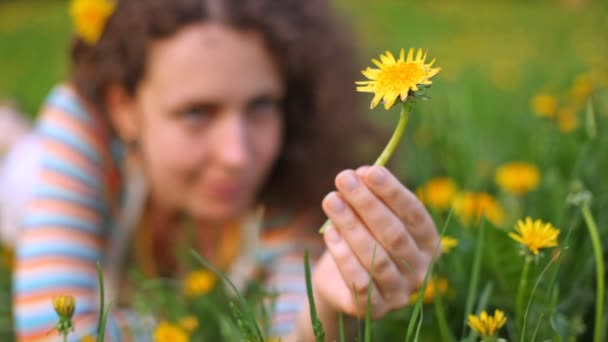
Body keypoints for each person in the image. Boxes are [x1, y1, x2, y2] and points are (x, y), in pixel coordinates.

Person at [1, 0, 440, 340]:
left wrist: (327, 302)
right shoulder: (83, 128)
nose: (237, 155)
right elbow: (53, 332)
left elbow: (292, 326)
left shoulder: (286, 177)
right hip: (32, 182)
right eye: (196, 112)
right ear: (123, 107)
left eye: (261, 106)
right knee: (22, 161)